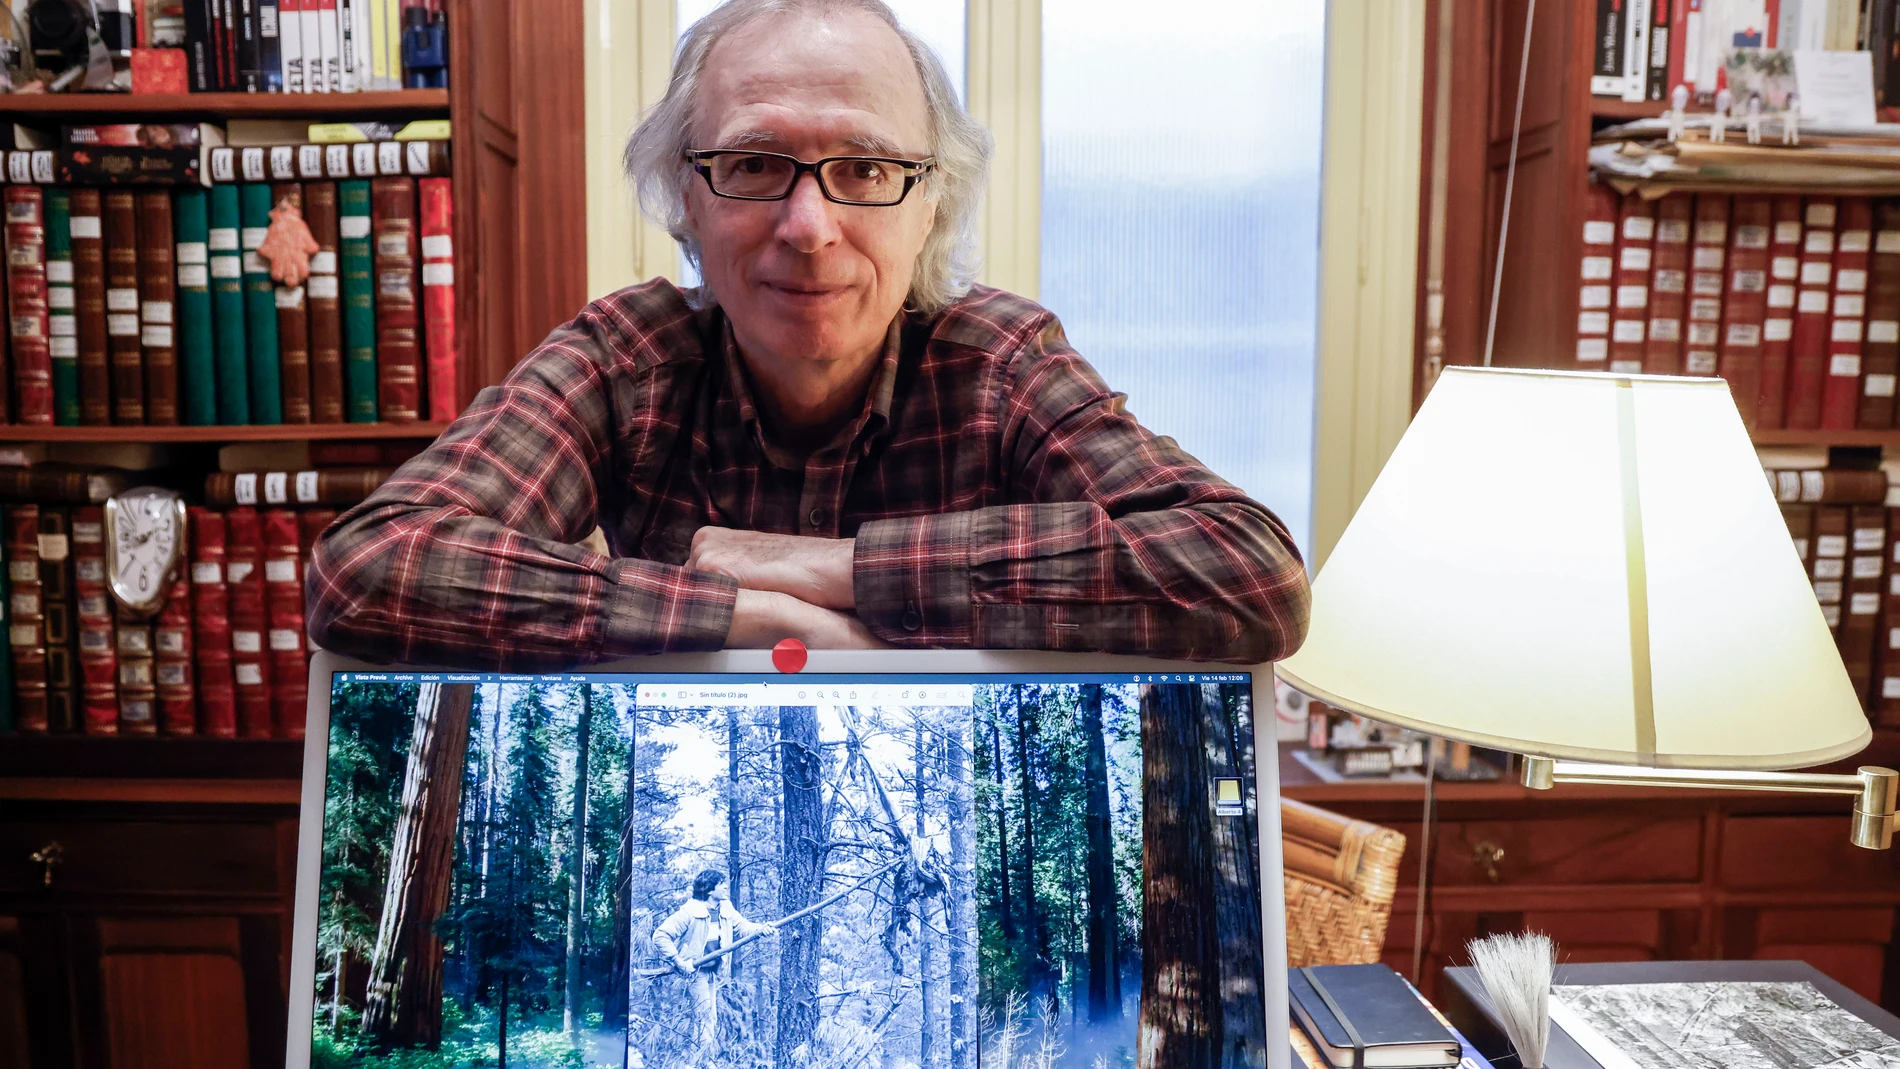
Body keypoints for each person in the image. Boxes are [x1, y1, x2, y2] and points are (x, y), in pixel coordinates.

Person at [304, 0, 1310, 670]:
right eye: (753, 164)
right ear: (684, 203)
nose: (808, 226)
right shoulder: (621, 362)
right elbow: (369, 568)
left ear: (933, 209)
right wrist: (742, 612)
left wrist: (830, 568)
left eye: (867, 169)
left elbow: (1246, 570)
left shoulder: (999, 361)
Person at [652, 868, 777, 1064]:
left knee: (710, 1018)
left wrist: (761, 929)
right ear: (710, 890)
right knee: (704, 1019)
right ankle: (699, 1062)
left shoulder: (725, 907)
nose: (726, 886)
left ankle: (699, 1061)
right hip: (696, 973)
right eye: (721, 884)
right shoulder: (690, 912)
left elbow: (743, 926)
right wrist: (679, 961)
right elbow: (660, 936)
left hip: (713, 972)